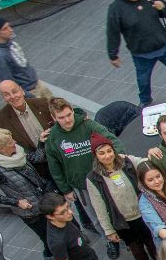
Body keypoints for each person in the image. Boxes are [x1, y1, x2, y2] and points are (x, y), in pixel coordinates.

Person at [84, 135, 162, 260]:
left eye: (109, 151)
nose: (107, 156)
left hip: (142, 213)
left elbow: (142, 162)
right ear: (96, 156)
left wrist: (152, 153)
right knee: (136, 248)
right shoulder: (93, 178)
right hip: (123, 220)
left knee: (152, 241)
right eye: (102, 153)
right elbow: (99, 206)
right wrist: (108, 230)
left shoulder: (125, 161)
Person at [106, 0, 166, 105]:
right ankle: (145, 102)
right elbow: (112, 33)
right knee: (143, 80)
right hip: (142, 54)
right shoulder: (116, 9)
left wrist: (163, 7)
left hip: (164, 46)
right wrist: (113, 55)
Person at [45, 96, 118, 227]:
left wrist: (119, 159)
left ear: (72, 111)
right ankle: (110, 242)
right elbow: (54, 167)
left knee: (116, 210)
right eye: (61, 117)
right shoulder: (52, 138)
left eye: (69, 114)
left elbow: (111, 139)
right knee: (95, 218)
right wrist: (66, 190)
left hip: (104, 177)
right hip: (81, 185)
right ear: (54, 118)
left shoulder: (88, 125)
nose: (67, 120)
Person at [0, 126, 50, 255]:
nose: (14, 142)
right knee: (47, 239)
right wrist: (17, 202)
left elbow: (36, 158)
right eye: (10, 142)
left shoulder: (18, 153)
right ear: (0, 149)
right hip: (31, 212)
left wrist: (41, 142)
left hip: (44, 200)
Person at [0, 79, 54, 179]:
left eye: (15, 91)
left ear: (22, 90)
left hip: (58, 159)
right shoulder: (1, 118)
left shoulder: (42, 103)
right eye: (7, 94)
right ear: (3, 97)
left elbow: (62, 112)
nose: (12, 96)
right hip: (38, 170)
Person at [0, 13, 48, 97]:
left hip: (37, 84)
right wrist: (28, 96)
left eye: (9, 26)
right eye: (5, 29)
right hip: (30, 92)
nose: (10, 30)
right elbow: (8, 82)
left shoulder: (7, 40)